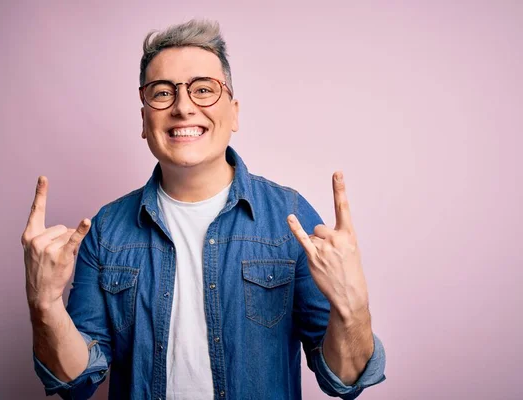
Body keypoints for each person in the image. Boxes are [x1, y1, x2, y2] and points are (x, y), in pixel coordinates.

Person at [22, 19, 386, 400]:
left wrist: (353, 305)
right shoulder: (106, 230)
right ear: (144, 119)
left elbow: (344, 380)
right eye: (162, 93)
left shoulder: (289, 217)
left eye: (203, 90)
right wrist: (44, 305)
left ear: (234, 112)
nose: (183, 107)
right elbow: (78, 382)